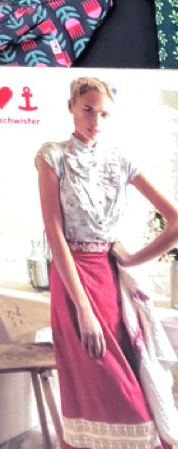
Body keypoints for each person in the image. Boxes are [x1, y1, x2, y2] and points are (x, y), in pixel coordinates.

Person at [35, 77, 178, 449]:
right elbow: (54, 234)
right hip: (72, 281)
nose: (95, 120)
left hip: (110, 280)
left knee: (130, 389)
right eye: (87, 110)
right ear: (71, 106)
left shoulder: (121, 159)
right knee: (95, 384)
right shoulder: (52, 156)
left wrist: (131, 258)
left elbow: (175, 221)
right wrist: (83, 308)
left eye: (103, 114)